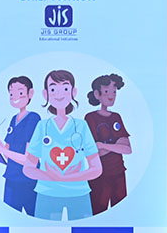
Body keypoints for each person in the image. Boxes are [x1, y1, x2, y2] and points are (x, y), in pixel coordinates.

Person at [21, 69, 104, 221]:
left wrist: (63, 178)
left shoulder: (81, 126)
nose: (59, 94)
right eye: (53, 89)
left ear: (73, 92)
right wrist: (53, 176)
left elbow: (97, 169)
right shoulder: (42, 126)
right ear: (45, 94)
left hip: (79, 194)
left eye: (65, 88)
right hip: (47, 194)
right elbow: (28, 168)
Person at [0, 75, 41, 216]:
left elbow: (29, 160)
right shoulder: (13, 119)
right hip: (11, 179)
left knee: (33, 218)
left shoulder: (33, 118)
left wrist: (1, 149)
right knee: (10, 217)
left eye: (20, 92)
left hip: (28, 181)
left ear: (30, 93)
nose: (15, 97)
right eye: (11, 94)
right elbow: (7, 154)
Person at [83, 73, 132, 215]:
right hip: (99, 175)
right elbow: (94, 151)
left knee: (121, 213)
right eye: (106, 91)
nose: (111, 95)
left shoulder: (116, 117)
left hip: (119, 173)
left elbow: (127, 148)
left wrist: (103, 145)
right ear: (97, 94)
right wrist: (116, 145)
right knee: (97, 211)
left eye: (114, 92)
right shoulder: (90, 117)